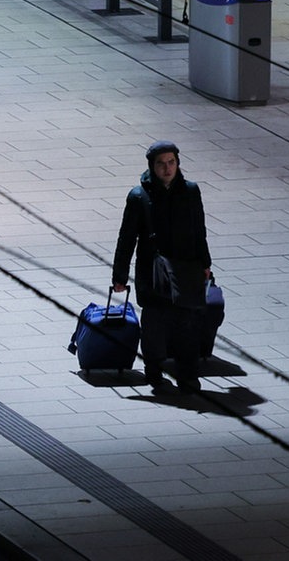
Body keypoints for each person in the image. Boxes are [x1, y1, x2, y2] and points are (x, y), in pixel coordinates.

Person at [111, 140, 213, 394]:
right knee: (155, 323)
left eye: (171, 163)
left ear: (178, 164)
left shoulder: (190, 191)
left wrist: (205, 264)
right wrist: (120, 275)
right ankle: (154, 370)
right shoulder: (139, 196)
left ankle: (188, 377)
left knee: (187, 324)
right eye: (161, 164)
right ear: (152, 166)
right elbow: (127, 238)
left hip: (186, 268)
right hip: (152, 269)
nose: (167, 169)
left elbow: (199, 230)